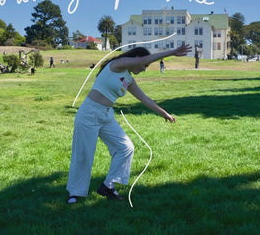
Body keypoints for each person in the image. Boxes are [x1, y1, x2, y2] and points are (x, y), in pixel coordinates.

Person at [66, 44, 192, 204]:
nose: (145, 68)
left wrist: (164, 113)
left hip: (106, 115)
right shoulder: (117, 65)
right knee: (84, 155)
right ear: (137, 59)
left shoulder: (129, 79)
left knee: (125, 148)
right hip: (89, 113)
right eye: (145, 65)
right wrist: (173, 52)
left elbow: (144, 98)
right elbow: (147, 58)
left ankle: (108, 186)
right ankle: (74, 194)